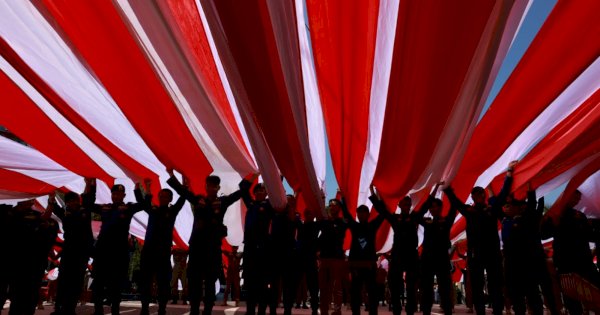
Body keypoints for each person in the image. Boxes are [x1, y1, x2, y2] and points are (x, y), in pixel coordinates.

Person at [167, 169, 242, 315]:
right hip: (197, 247)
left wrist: (251, 177)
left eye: (215, 186)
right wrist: (171, 175)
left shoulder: (222, 201)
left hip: (213, 248)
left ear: (218, 188)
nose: (212, 188)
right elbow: (183, 192)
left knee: (209, 281)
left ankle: (207, 310)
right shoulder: (199, 200)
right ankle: (194, 310)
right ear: (206, 187)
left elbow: (239, 193)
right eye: (209, 185)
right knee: (194, 281)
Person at [444, 162, 515, 315]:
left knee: (495, 284)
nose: (479, 196)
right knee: (477, 285)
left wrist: (509, 173)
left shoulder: (493, 208)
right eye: (475, 194)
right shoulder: (469, 211)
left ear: (484, 195)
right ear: (472, 197)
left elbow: (503, 194)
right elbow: (456, 203)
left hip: (493, 253)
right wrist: (448, 190)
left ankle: (497, 310)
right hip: (475, 254)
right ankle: (480, 311)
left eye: (481, 193)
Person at [85, 179, 148, 315]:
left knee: (116, 283)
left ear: (124, 196)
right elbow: (87, 204)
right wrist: (92, 185)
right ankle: (98, 310)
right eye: (114, 194)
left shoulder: (129, 208)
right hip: (103, 250)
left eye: (120, 194)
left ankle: (115, 310)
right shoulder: (104, 207)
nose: (117, 196)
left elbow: (144, 204)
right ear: (111, 195)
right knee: (99, 281)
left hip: (119, 251)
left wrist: (137, 189)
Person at [502, 183, 559, 315]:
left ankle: (553, 309)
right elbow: (499, 203)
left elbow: (536, 206)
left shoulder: (529, 219)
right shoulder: (506, 221)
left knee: (536, 291)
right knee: (518, 294)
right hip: (514, 264)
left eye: (522, 206)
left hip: (531, 261)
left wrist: (532, 190)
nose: (509, 208)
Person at [541, 190, 600, 315]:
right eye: (575, 197)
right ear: (567, 197)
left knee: (594, 289)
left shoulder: (580, 215)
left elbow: (590, 235)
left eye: (579, 198)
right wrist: (551, 222)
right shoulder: (555, 215)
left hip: (583, 261)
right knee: (570, 295)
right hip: (565, 262)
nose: (577, 201)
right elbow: (543, 234)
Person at [136, 178, 186, 315]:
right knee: (145, 281)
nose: (163, 198)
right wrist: (140, 186)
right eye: (161, 196)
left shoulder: (172, 211)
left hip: (163, 252)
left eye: (166, 197)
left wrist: (184, 185)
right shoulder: (152, 210)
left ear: (170, 199)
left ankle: (162, 308)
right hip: (148, 250)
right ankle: (144, 308)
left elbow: (183, 197)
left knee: (163, 282)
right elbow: (142, 201)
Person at [47, 187, 95, 315]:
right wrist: (51, 197)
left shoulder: (85, 211)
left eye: (76, 200)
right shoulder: (65, 214)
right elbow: (55, 208)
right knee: (63, 281)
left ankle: (70, 309)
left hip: (82, 253)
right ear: (67, 202)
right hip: (68, 253)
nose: (75, 202)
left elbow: (89, 197)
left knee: (76, 282)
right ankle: (58, 308)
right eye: (72, 201)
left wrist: (89, 184)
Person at [370, 192, 419, 315]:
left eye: (409, 204)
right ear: (400, 205)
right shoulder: (395, 218)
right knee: (394, 285)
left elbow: (425, 206)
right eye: (404, 204)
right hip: (397, 255)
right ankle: (396, 310)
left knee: (412, 286)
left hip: (412, 255)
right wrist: (372, 193)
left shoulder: (414, 217)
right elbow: (383, 210)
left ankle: (410, 310)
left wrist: (435, 189)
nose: (407, 206)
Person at [8, 199, 58, 315]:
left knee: (29, 293)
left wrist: (51, 203)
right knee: (18, 294)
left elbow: (49, 242)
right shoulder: (13, 215)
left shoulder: (46, 222)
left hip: (34, 264)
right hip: (19, 263)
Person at [343, 187, 385, 315]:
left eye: (364, 212)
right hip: (355, 266)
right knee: (355, 293)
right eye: (359, 213)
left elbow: (383, 212)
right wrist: (344, 194)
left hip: (370, 265)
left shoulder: (372, 225)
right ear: (357, 214)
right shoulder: (354, 226)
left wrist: (373, 195)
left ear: (368, 214)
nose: (361, 215)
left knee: (372, 293)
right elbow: (345, 212)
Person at [417, 182, 456, 315]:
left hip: (442, 259)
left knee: (444, 289)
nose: (432, 209)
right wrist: (433, 192)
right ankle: (426, 311)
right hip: (427, 259)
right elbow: (418, 214)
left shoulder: (447, 221)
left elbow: (454, 208)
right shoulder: (427, 221)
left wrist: (448, 192)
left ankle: (447, 311)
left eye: (435, 206)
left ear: (440, 208)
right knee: (426, 289)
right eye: (431, 207)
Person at [268, 194, 301, 315]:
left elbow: (296, 224)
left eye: (290, 201)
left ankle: (287, 309)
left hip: (289, 255)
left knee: (288, 285)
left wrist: (292, 207)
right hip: (275, 254)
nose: (288, 203)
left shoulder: (294, 217)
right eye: (287, 200)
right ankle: (272, 308)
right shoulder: (276, 214)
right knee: (274, 284)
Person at [317, 198, 348, 315]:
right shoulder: (323, 222)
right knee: (323, 287)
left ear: (339, 208)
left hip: (336, 259)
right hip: (324, 259)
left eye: (335, 205)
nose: (332, 207)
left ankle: (337, 310)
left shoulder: (342, 223)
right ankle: (324, 309)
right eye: (330, 205)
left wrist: (343, 200)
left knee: (336, 287)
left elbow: (347, 215)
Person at [296, 210, 320, 315]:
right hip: (299, 258)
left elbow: (321, 215)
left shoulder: (316, 226)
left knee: (313, 286)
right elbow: (293, 212)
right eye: (307, 214)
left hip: (311, 259)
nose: (309, 215)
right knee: (294, 284)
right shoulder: (300, 224)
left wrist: (321, 199)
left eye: (310, 213)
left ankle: (314, 309)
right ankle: (290, 306)